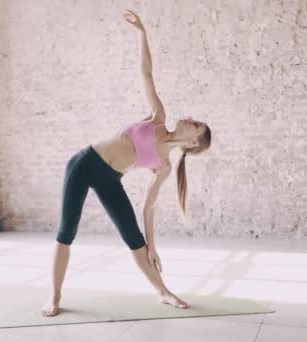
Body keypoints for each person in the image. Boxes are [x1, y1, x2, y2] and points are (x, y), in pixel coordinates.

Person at [41, 9, 212, 317]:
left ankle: (164, 292)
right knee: (67, 232)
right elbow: (146, 73)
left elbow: (148, 208)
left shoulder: (163, 166)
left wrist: (153, 246)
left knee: (134, 238)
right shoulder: (157, 119)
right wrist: (143, 33)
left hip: (109, 179)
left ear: (193, 142)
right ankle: (53, 297)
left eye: (195, 124)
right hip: (83, 163)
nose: (189, 118)